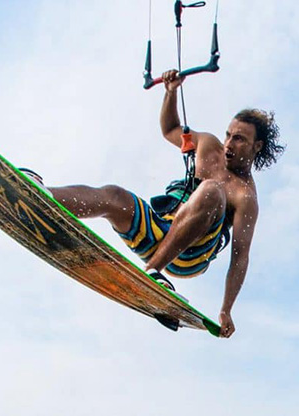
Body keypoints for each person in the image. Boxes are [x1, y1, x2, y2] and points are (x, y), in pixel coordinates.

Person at [32, 70, 284, 338]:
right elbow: (170, 130)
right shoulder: (208, 146)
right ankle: (42, 196)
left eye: (239, 139)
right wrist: (171, 92)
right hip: (160, 229)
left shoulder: (246, 197)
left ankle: (153, 270)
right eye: (228, 135)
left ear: (256, 147)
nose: (228, 144)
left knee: (211, 191)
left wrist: (226, 309)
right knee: (115, 196)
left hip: (189, 256)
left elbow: (240, 256)